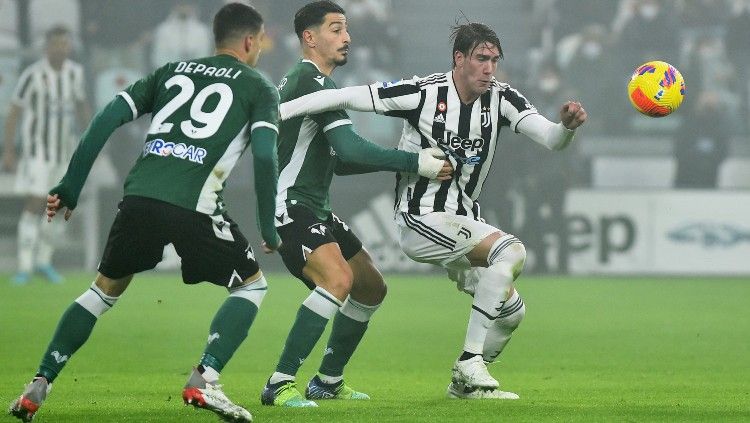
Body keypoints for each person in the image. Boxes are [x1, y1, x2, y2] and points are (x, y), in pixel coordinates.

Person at [281, 21, 587, 399]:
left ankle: (464, 387)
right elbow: (344, 97)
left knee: (511, 313)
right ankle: (470, 361)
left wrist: (567, 127)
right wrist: (277, 111)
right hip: (420, 218)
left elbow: (552, 139)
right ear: (459, 59)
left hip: (463, 220)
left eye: (494, 59)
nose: (489, 68)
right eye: (480, 59)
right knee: (511, 251)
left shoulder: (503, 98)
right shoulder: (422, 93)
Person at [9, 3, 279, 422]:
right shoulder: (260, 88)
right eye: (260, 41)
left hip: (139, 198)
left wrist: (70, 185)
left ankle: (39, 383)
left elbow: (105, 119)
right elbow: (264, 156)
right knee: (251, 286)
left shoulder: (172, 71)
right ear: (249, 41)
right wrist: (268, 224)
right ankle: (204, 379)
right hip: (196, 204)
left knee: (102, 290)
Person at [260, 0, 451, 408]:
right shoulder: (313, 82)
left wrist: (406, 166)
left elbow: (341, 160)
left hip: (314, 207)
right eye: (335, 29)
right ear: (309, 38)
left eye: (346, 29)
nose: (347, 37)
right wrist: (413, 161)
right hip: (292, 206)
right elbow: (349, 146)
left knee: (370, 287)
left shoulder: (318, 83)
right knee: (339, 280)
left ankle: (327, 381)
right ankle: (279, 382)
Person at [2, 25, 91, 285]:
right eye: (56, 44)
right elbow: (14, 113)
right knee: (35, 203)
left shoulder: (75, 74)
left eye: (64, 44)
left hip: (64, 153)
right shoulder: (32, 75)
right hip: (37, 153)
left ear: (69, 47)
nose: (60, 48)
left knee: (58, 205)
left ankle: (43, 261)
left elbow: (81, 107)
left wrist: (90, 141)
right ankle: (24, 266)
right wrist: (9, 151)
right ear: (46, 47)